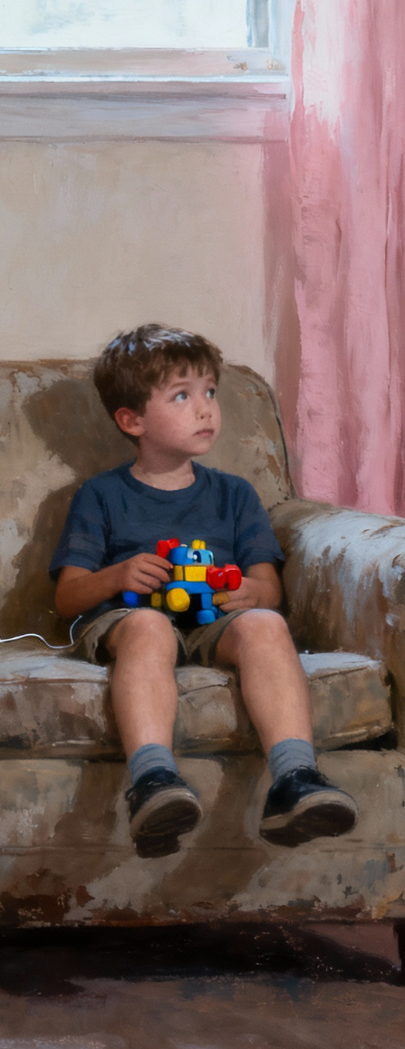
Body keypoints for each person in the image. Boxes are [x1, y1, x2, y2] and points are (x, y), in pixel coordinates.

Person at [51, 324, 357, 857]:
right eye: (182, 396)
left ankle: (295, 779)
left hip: (217, 619)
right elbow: (68, 596)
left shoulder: (235, 494)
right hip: (132, 619)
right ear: (132, 420)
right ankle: (153, 781)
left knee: (266, 624)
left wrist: (251, 596)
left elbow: (267, 584)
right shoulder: (100, 495)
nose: (205, 409)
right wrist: (117, 577)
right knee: (149, 629)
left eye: (210, 392)